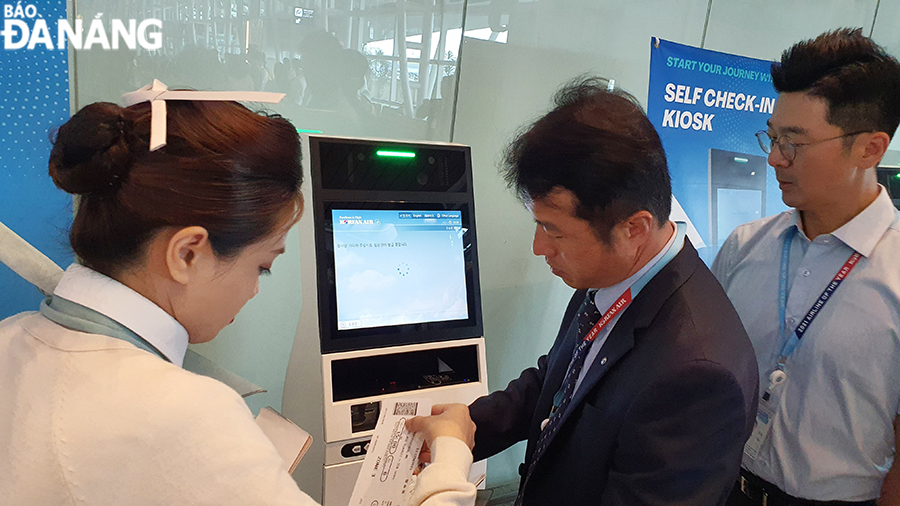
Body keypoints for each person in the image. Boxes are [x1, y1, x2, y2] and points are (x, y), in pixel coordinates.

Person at [0, 89, 477, 506]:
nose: (253, 291)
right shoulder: (182, 413)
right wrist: (451, 457)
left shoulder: (12, 339)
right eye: (262, 266)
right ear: (187, 253)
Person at [459, 77, 759, 505]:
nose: (539, 248)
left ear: (632, 229)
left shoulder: (699, 373)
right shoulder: (611, 274)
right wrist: (469, 425)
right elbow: (561, 379)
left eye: (553, 231)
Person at [713, 28, 900, 506]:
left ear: (870, 148)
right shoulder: (744, 247)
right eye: (773, 137)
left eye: (794, 143)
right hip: (721, 487)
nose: (774, 158)